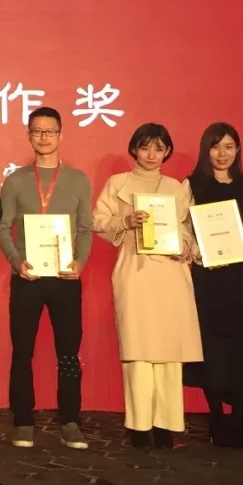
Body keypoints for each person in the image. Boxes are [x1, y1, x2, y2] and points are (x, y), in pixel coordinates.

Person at [93, 122, 202, 449]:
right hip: (135, 273)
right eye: (145, 147)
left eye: (159, 148)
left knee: (169, 354)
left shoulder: (176, 188)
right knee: (138, 352)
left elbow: (188, 229)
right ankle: (139, 426)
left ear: (167, 151)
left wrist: (185, 246)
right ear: (134, 149)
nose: (152, 154)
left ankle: (166, 426)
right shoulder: (118, 184)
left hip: (170, 273)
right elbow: (97, 221)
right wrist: (125, 222)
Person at [0, 107, 92, 450]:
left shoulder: (78, 179)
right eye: (37, 131)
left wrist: (79, 262)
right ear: (29, 136)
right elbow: (3, 227)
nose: (44, 137)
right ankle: (23, 420)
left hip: (66, 278)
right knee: (22, 351)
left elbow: (85, 229)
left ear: (61, 135)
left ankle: (70, 420)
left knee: (69, 352)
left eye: (50, 131)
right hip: (28, 277)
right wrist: (16, 261)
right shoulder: (16, 180)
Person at [183, 123, 243, 448]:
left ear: (238, 151)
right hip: (208, 277)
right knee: (212, 348)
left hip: (241, 278)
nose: (222, 154)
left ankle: (238, 418)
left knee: (242, 348)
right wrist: (195, 251)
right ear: (206, 150)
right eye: (216, 147)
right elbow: (182, 228)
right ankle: (217, 416)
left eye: (229, 147)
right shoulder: (192, 185)